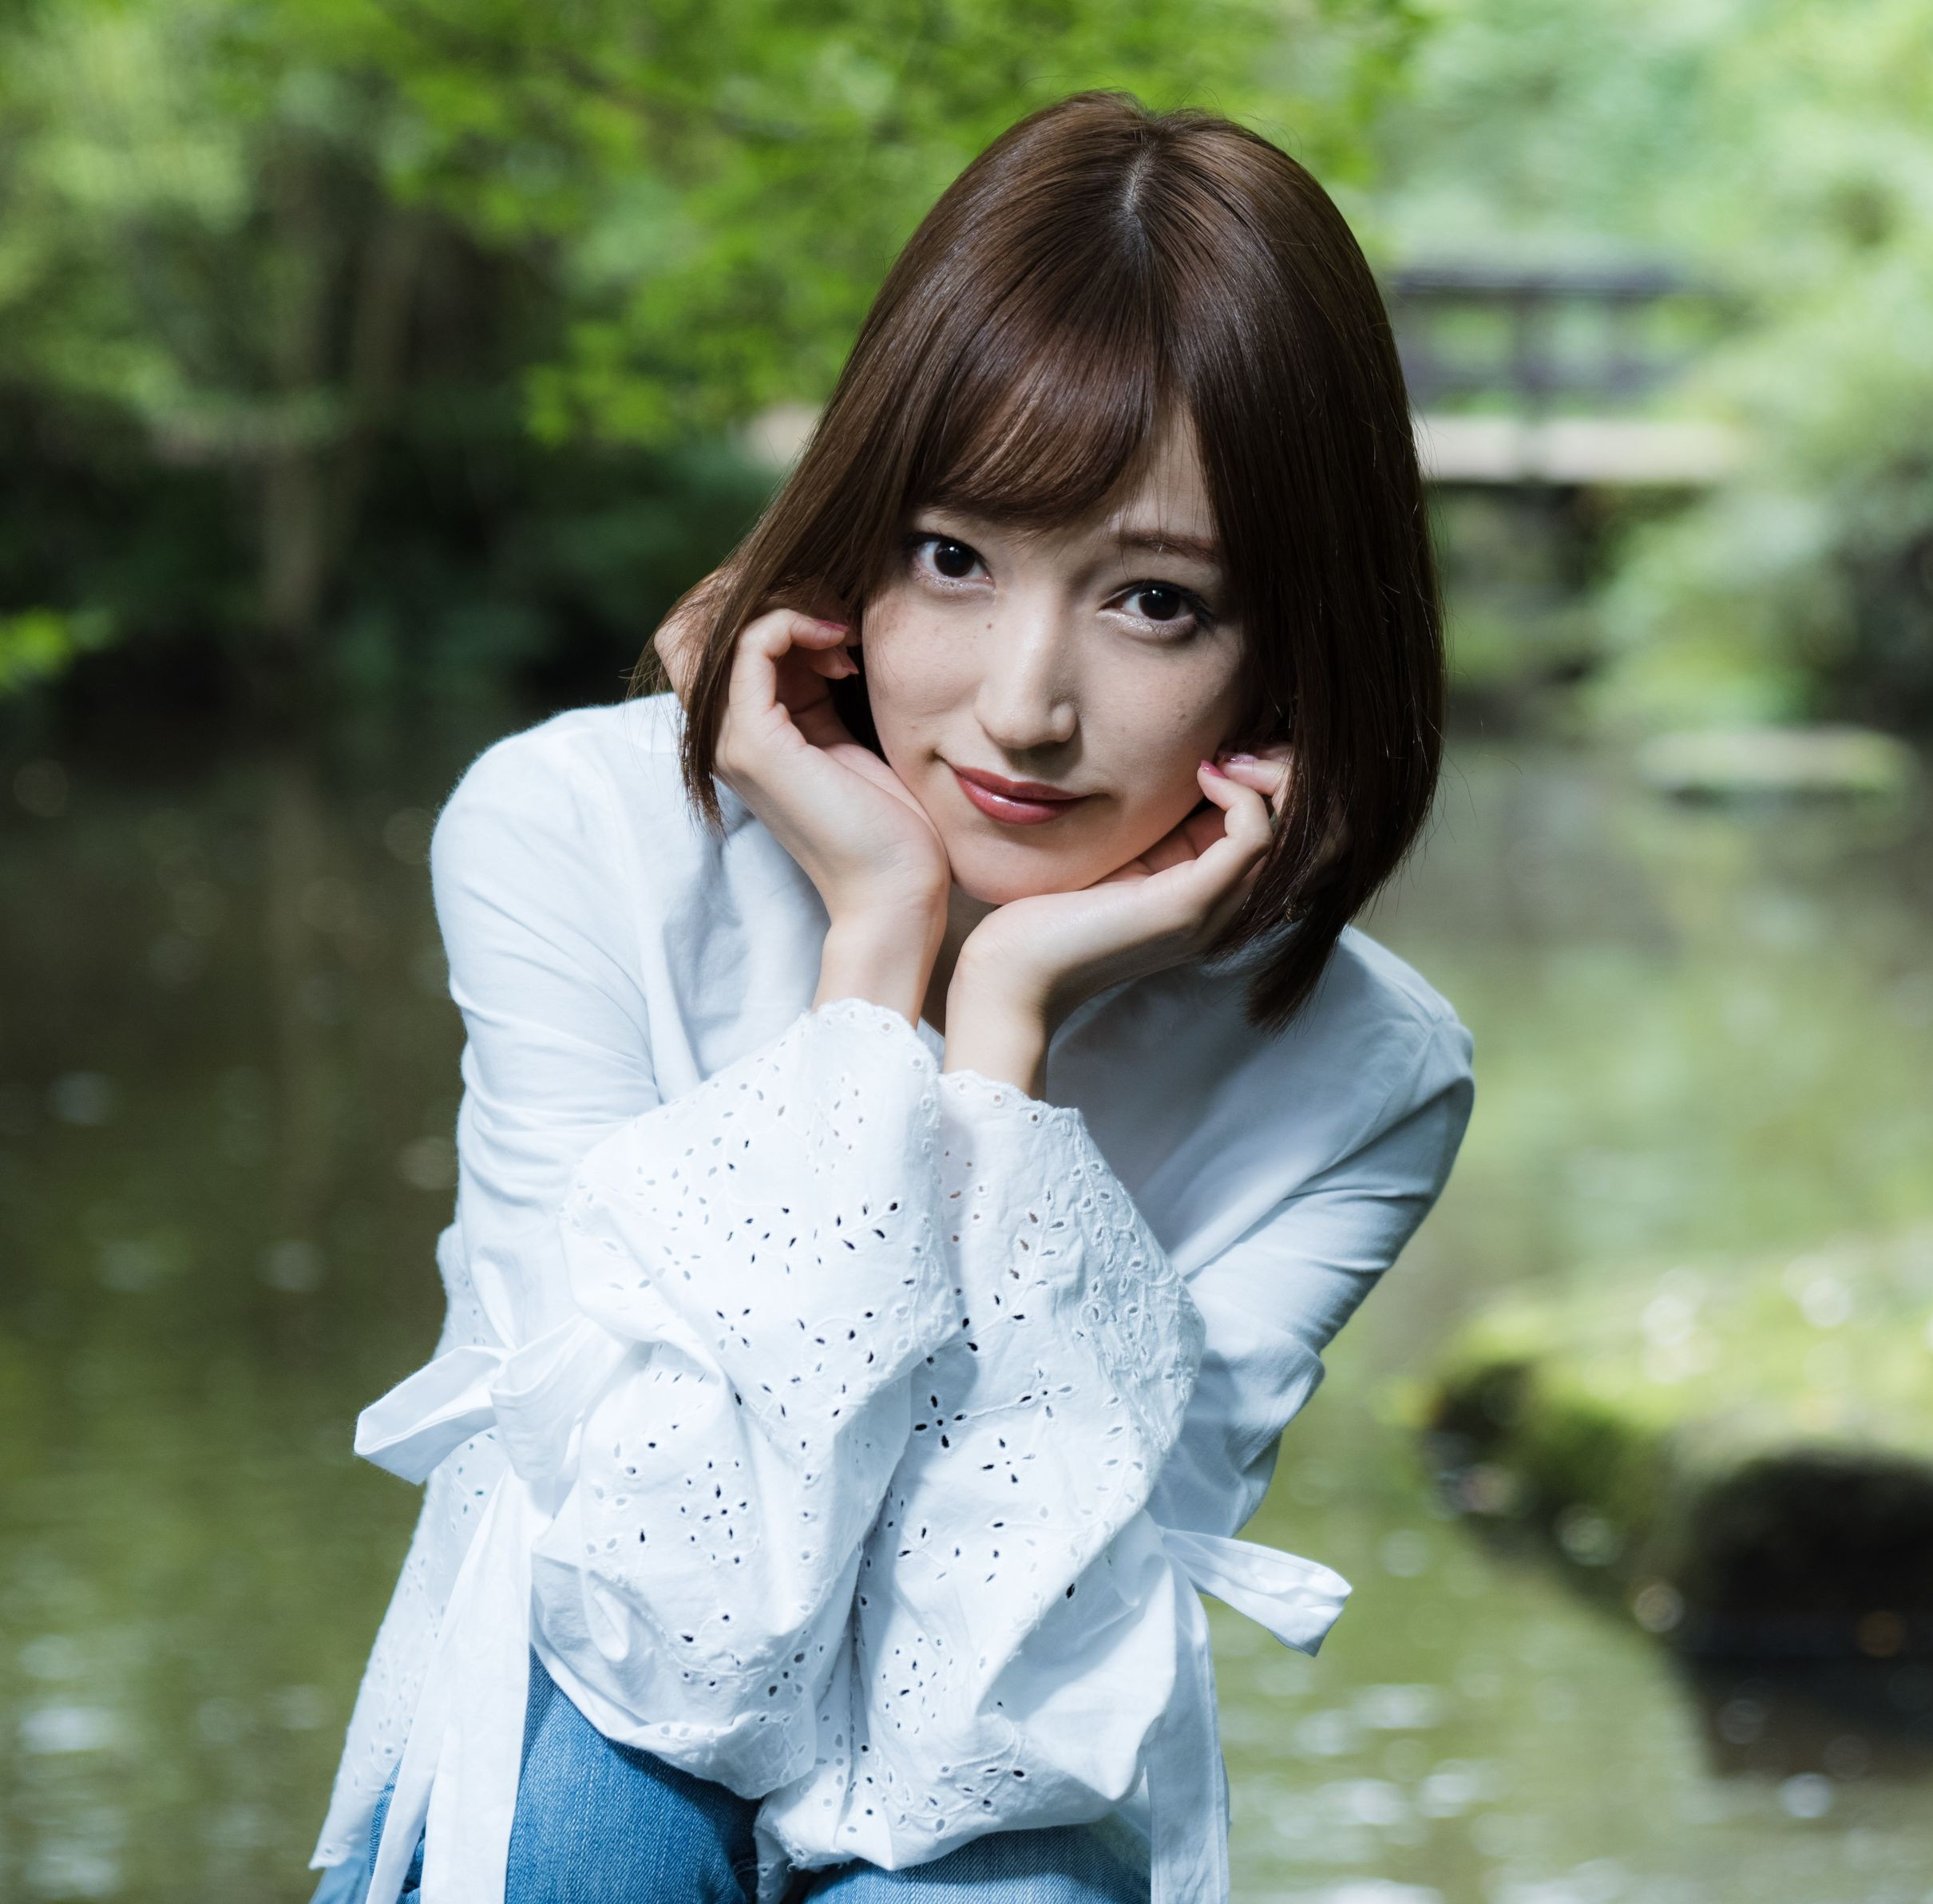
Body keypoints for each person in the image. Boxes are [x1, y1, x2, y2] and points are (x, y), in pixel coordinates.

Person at [303, 91, 1472, 1904]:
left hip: (980, 1788)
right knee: (594, 1815)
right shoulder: (578, 836)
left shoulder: (1363, 1074)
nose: (1022, 704)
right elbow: (665, 1614)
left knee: (1001, 1881)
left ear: (1294, 649)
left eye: (1156, 602)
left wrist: (998, 1030)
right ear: (854, 545)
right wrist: (876, 945)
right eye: (954, 556)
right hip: (579, 1737)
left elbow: (1002, 1705)